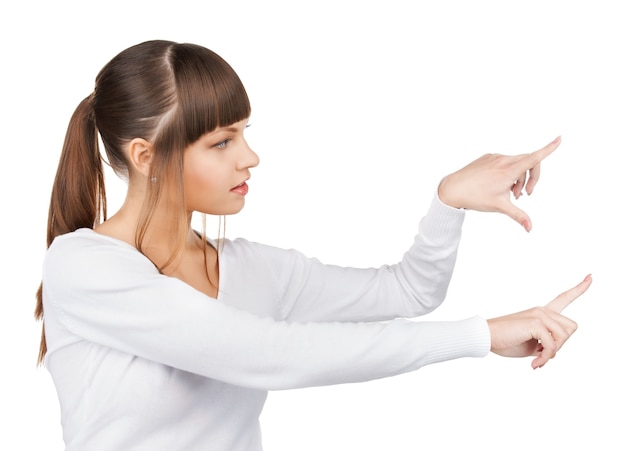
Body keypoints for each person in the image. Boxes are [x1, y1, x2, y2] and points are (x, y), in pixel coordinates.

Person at [35, 40, 591, 451]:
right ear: (145, 156)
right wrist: (480, 336)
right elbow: (264, 354)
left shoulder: (256, 270)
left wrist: (449, 202)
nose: (249, 157)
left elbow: (409, 290)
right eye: (222, 141)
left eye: (245, 133)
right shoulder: (85, 269)